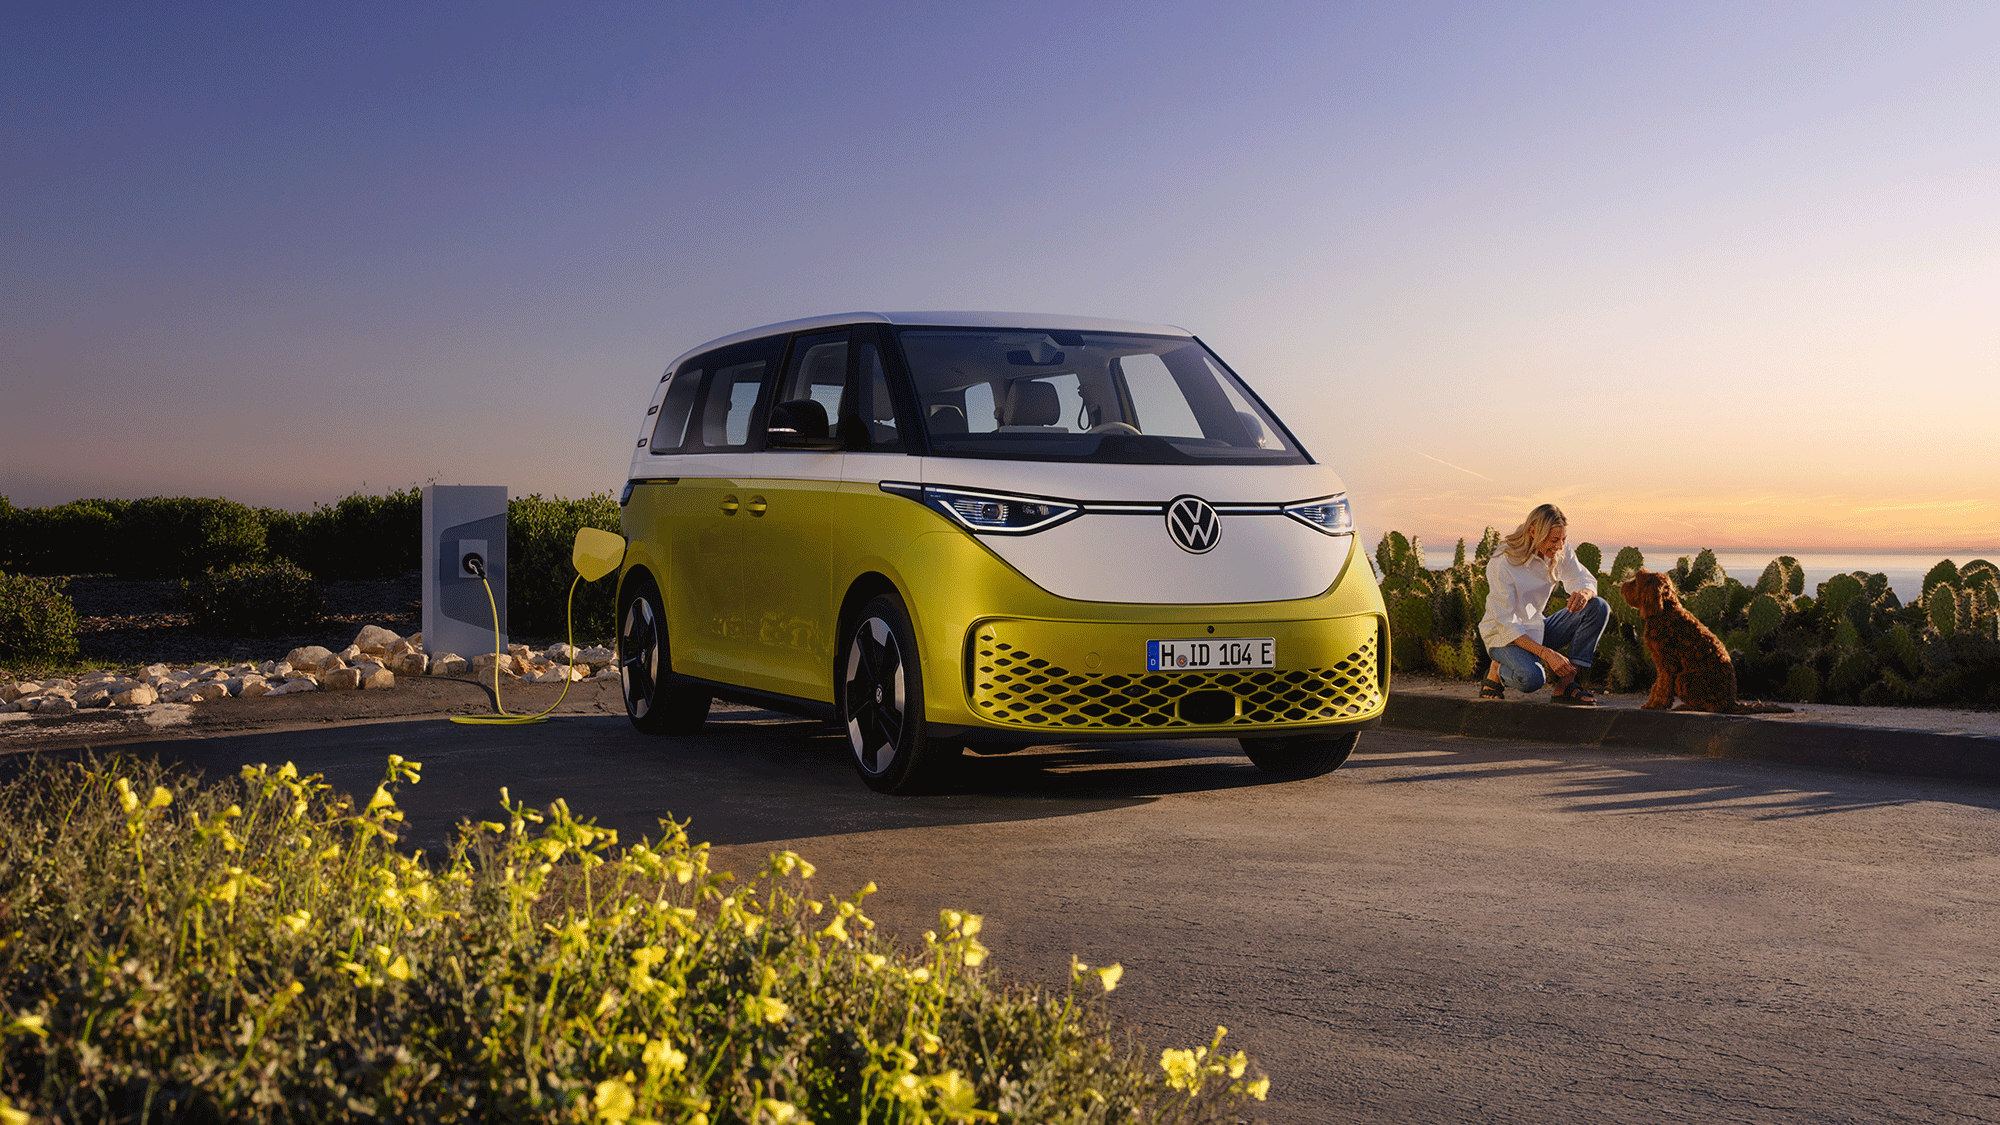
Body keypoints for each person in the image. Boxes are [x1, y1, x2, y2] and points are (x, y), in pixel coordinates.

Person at [1478, 503, 1609, 705]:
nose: (1559, 545)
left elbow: (1585, 580)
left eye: (1563, 539)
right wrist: (1547, 654)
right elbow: (1507, 625)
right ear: (1533, 532)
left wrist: (1584, 593)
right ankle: (1497, 670)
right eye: (1554, 539)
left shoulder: (1559, 550)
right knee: (1532, 679)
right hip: (1504, 638)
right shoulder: (1503, 561)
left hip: (1537, 629)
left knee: (1597, 607)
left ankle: (1566, 685)